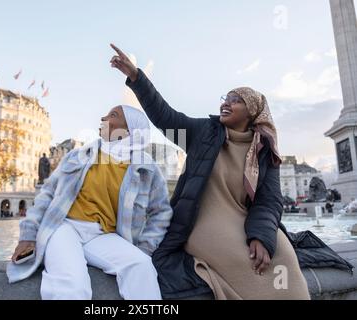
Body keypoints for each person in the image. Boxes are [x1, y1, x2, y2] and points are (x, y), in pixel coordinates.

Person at [110, 44, 310, 300]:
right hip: (203, 222)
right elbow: (166, 117)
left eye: (235, 101)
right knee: (246, 262)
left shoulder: (263, 149)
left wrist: (261, 236)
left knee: (284, 259)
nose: (226, 104)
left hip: (245, 220)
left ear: (252, 111)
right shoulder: (203, 132)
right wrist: (137, 77)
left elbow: (269, 200)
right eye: (225, 99)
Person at [7, 105, 173, 300]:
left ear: (130, 131)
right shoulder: (78, 156)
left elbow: (161, 212)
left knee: (142, 266)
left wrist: (144, 248)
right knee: (72, 285)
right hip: (64, 228)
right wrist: (28, 235)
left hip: (104, 236)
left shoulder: (147, 169)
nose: (103, 116)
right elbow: (46, 195)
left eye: (113, 115)